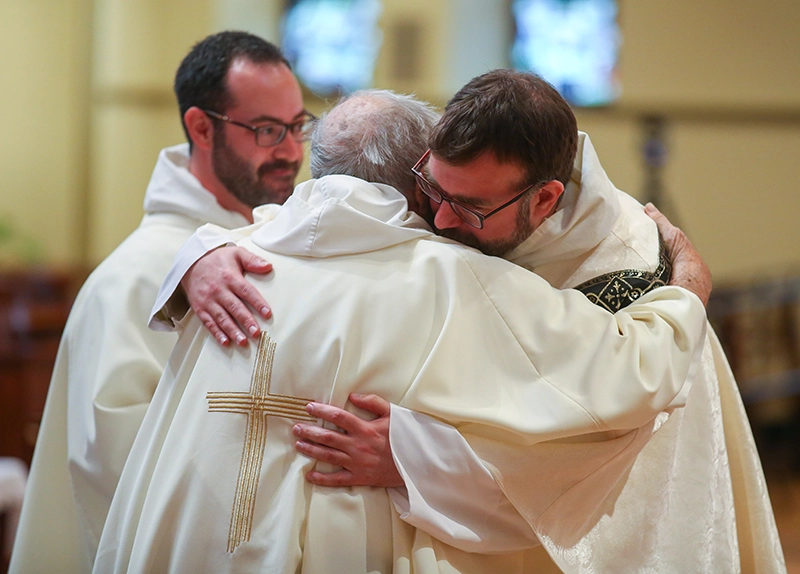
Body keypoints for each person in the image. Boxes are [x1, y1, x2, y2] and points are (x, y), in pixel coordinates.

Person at [171, 71, 784, 572]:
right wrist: (199, 253)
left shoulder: (624, 274)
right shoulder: (465, 234)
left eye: (467, 207)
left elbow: (591, 449)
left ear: (545, 198)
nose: (438, 223)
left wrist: (413, 458)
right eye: (431, 189)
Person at [9, 31, 314, 574]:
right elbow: (116, 466)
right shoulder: (133, 278)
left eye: (297, 127)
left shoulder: (272, 254)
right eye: (267, 130)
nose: (291, 152)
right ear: (201, 127)